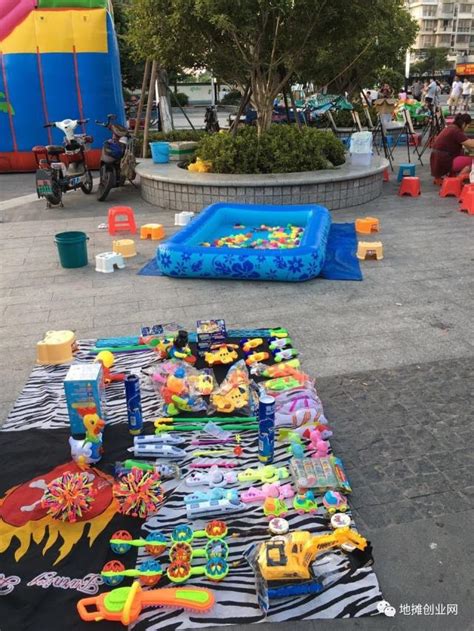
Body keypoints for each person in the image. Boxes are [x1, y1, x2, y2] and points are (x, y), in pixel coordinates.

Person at [430, 113, 474, 179]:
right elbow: (471, 144)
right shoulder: (456, 131)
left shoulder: (451, 127)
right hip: (444, 161)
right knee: (472, 162)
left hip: (437, 161)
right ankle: (457, 180)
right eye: (468, 126)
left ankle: (455, 177)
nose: (467, 128)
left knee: (463, 153)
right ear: (464, 124)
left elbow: (468, 145)